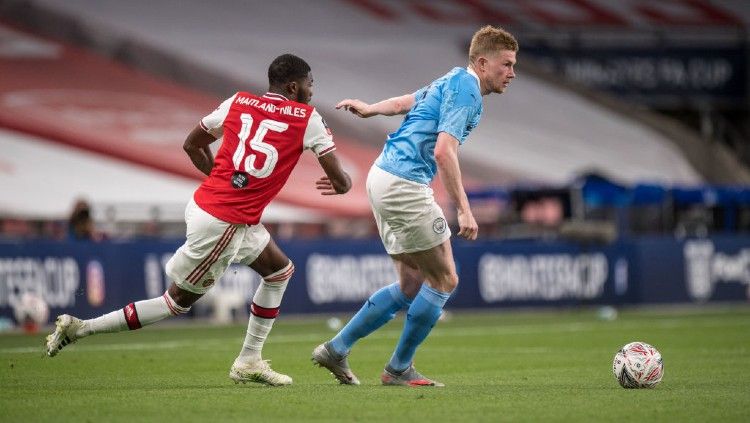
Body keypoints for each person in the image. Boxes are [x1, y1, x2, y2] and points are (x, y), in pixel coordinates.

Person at [46, 54, 352, 386]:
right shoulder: (308, 118)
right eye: (309, 85)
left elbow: (192, 144)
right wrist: (342, 184)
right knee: (175, 302)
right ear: (293, 87)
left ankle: (249, 360)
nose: (311, 92)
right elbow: (340, 181)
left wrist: (225, 182)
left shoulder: (238, 101)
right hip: (224, 222)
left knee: (279, 271)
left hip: (209, 205)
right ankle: (80, 328)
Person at [312, 25, 517, 387]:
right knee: (445, 279)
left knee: (411, 284)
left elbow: (409, 101)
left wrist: (372, 109)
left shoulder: (453, 78)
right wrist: (464, 209)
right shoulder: (468, 90)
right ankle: (398, 369)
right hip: (405, 184)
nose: (512, 73)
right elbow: (444, 151)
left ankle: (336, 348)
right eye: (507, 64)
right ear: (483, 63)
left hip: (382, 176)